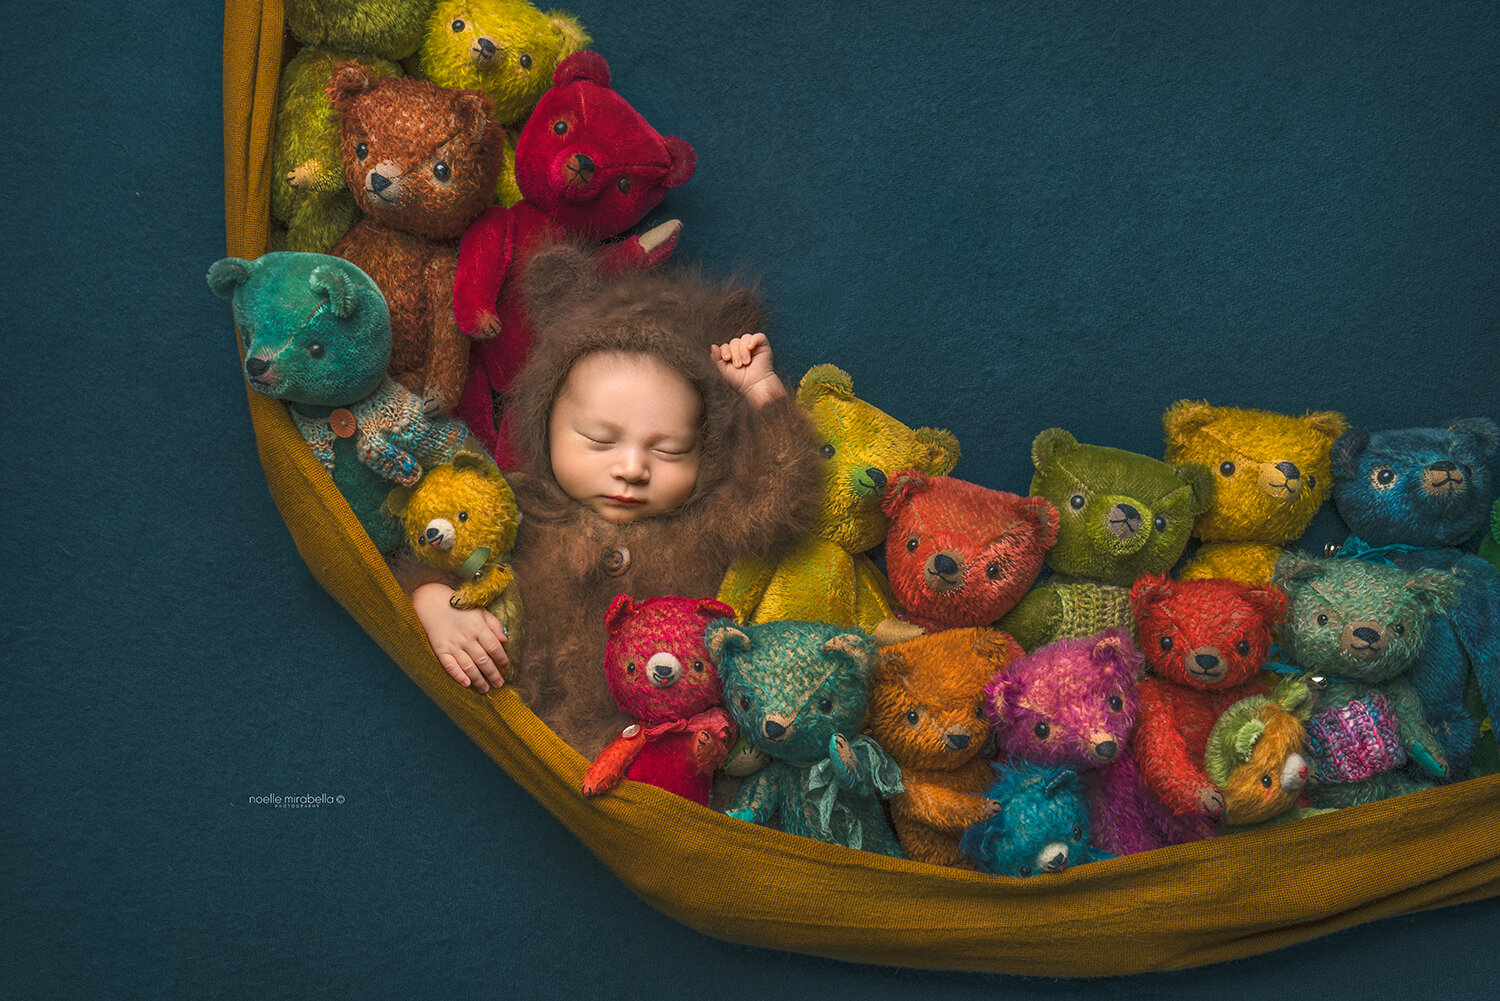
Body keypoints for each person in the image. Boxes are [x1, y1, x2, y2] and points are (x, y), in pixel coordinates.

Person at [410, 242, 821, 755]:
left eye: (669, 450)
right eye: (600, 442)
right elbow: (458, 558)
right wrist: (433, 601)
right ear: (546, 427)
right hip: (519, 744)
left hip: (658, 760)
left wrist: (760, 393)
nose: (631, 469)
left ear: (707, 451)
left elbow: (778, 503)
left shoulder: (704, 526)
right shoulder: (518, 511)